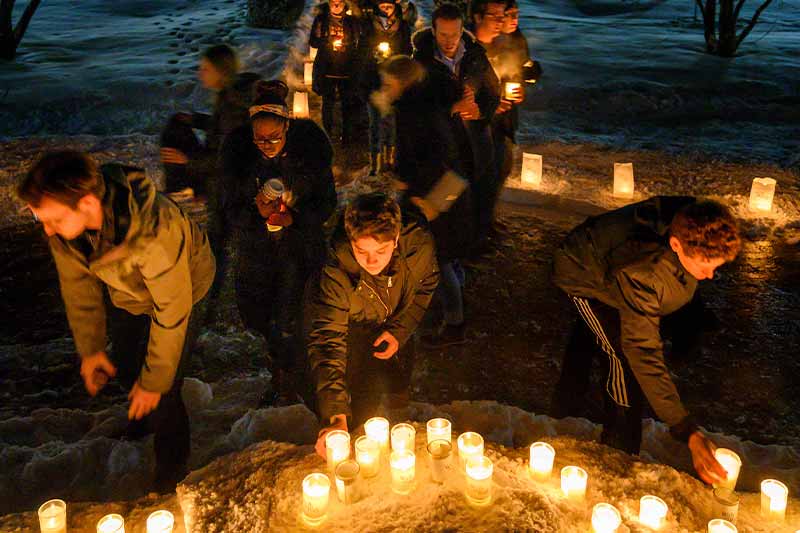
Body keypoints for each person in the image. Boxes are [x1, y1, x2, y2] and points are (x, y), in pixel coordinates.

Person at [18, 151, 216, 492]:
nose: (48, 231)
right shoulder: (67, 233)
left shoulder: (155, 232)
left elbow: (171, 313)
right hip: (129, 290)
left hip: (184, 288)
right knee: (126, 362)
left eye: (54, 220)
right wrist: (92, 350)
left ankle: (172, 466)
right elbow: (78, 289)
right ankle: (141, 418)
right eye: (42, 221)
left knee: (163, 384)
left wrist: (154, 382)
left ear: (89, 205)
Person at [551, 196, 741, 485]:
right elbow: (642, 349)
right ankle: (619, 451)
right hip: (583, 274)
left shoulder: (697, 220)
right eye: (705, 265)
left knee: (598, 336)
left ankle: (569, 390)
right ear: (676, 245)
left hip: (612, 256)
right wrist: (686, 429)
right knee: (621, 360)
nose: (711, 275)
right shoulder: (642, 270)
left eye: (717, 266)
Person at [221, 80, 337, 406]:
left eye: (274, 137)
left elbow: (327, 204)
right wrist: (256, 214)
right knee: (263, 316)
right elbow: (229, 209)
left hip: (299, 250)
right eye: (260, 139)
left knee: (296, 315)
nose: (267, 144)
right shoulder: (240, 160)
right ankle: (280, 374)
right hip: (258, 253)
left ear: (287, 126)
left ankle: (295, 381)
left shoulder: (310, 156)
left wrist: (295, 219)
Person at [306, 192, 439, 457]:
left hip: (393, 321)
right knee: (360, 396)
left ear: (397, 239)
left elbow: (427, 285)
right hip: (354, 327)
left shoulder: (418, 247)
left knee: (396, 381)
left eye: (381, 250)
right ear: (351, 241)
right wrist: (335, 417)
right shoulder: (337, 268)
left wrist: (399, 331)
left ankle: (399, 411)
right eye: (361, 251)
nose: (371, 261)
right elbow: (328, 337)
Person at [373, 55, 474, 346]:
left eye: (388, 83)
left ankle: (455, 323)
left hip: (434, 197)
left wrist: (424, 196)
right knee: (447, 257)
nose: (384, 88)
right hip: (438, 193)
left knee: (438, 260)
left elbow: (440, 157)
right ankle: (453, 300)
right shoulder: (421, 104)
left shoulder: (416, 112)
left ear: (402, 82)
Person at [159, 44, 260, 325]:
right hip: (230, 184)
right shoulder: (232, 97)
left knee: (221, 245)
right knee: (224, 243)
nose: (200, 73)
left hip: (231, 186)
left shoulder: (232, 103)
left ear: (220, 71)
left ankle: (209, 308)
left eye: (205, 68)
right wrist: (196, 120)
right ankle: (212, 304)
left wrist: (186, 159)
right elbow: (223, 130)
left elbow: (225, 156)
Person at [412, 3, 500, 256]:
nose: (449, 41)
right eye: (443, 34)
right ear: (434, 31)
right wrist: (451, 108)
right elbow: (415, 108)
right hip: (443, 144)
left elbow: (493, 92)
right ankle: (447, 251)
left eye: (455, 34)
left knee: (479, 188)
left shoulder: (475, 56)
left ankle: (475, 243)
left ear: (462, 31)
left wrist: (480, 111)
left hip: (476, 140)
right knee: (447, 195)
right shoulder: (421, 63)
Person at [358, 0, 412, 175]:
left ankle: (391, 159)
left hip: (394, 84)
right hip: (373, 82)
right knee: (375, 124)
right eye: (383, 6)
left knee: (392, 123)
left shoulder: (402, 26)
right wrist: (373, 55)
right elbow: (361, 49)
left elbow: (407, 50)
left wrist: (394, 58)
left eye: (389, 5)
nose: (386, 9)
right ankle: (376, 162)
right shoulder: (368, 25)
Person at [310, 0, 362, 145]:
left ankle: (347, 136)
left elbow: (359, 43)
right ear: (329, 4)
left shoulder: (352, 22)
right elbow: (313, 41)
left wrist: (347, 47)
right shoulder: (321, 20)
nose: (337, 5)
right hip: (327, 68)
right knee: (327, 103)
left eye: (340, 2)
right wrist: (327, 43)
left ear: (345, 5)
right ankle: (326, 135)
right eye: (334, 2)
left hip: (347, 67)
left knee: (347, 103)